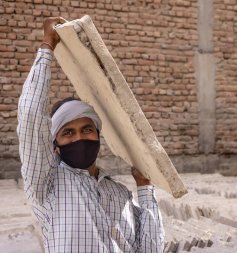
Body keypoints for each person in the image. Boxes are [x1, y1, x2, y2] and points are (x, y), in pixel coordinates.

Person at [17, 17, 164, 253]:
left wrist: (145, 188)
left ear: (98, 135)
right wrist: (47, 46)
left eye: (86, 129)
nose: (79, 138)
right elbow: (31, 117)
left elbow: (150, 250)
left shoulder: (119, 194)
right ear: (55, 145)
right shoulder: (47, 184)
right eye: (68, 132)